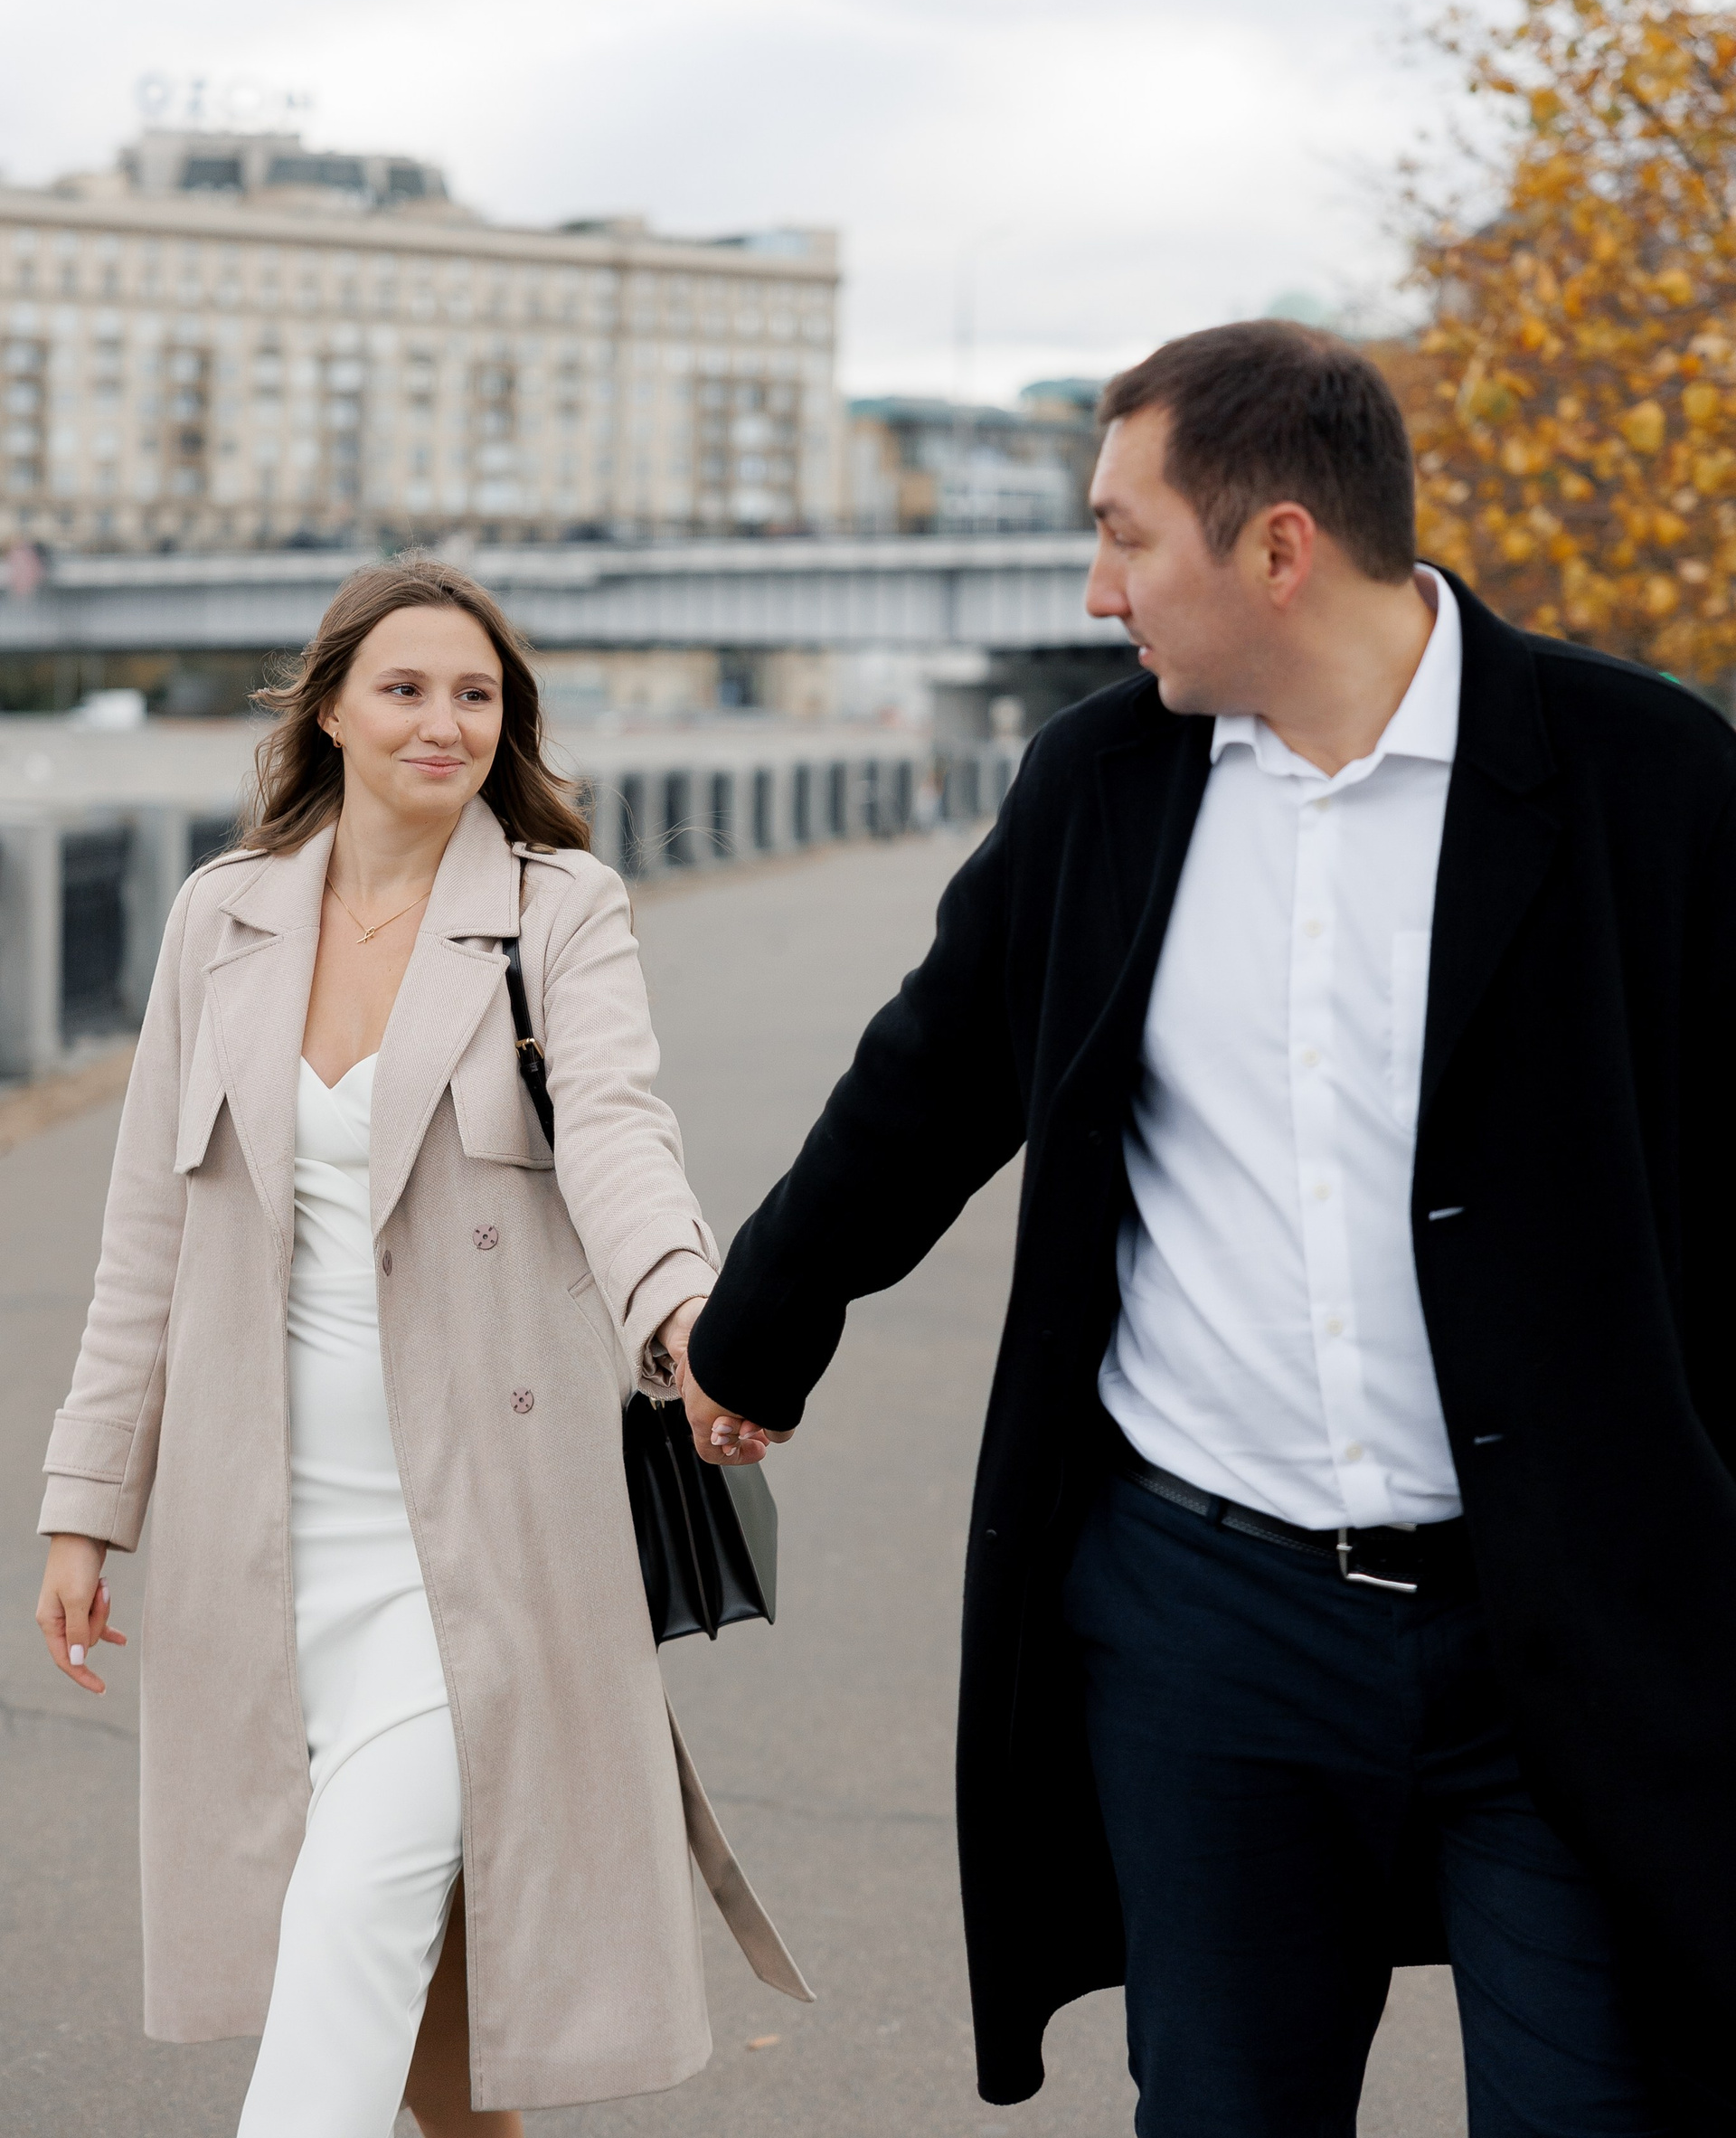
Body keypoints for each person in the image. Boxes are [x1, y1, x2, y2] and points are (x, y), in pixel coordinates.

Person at [679, 320, 1736, 2137]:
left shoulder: (1647, 777)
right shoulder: (1105, 784)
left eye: (1125, 536)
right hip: (1211, 1624)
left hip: (1567, 1616)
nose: (1097, 590)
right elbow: (932, 1076)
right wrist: (753, 1330)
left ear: (1277, 548)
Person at [35, 556, 806, 2138]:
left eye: (476, 693)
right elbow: (145, 1239)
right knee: (437, 2010)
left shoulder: (554, 908)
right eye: (405, 687)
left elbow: (620, 1138)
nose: (443, 721)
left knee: (349, 1938)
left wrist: (689, 1319)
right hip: (266, 1534)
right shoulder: (222, 916)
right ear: (329, 707)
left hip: (479, 1530)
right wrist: (83, 1506)